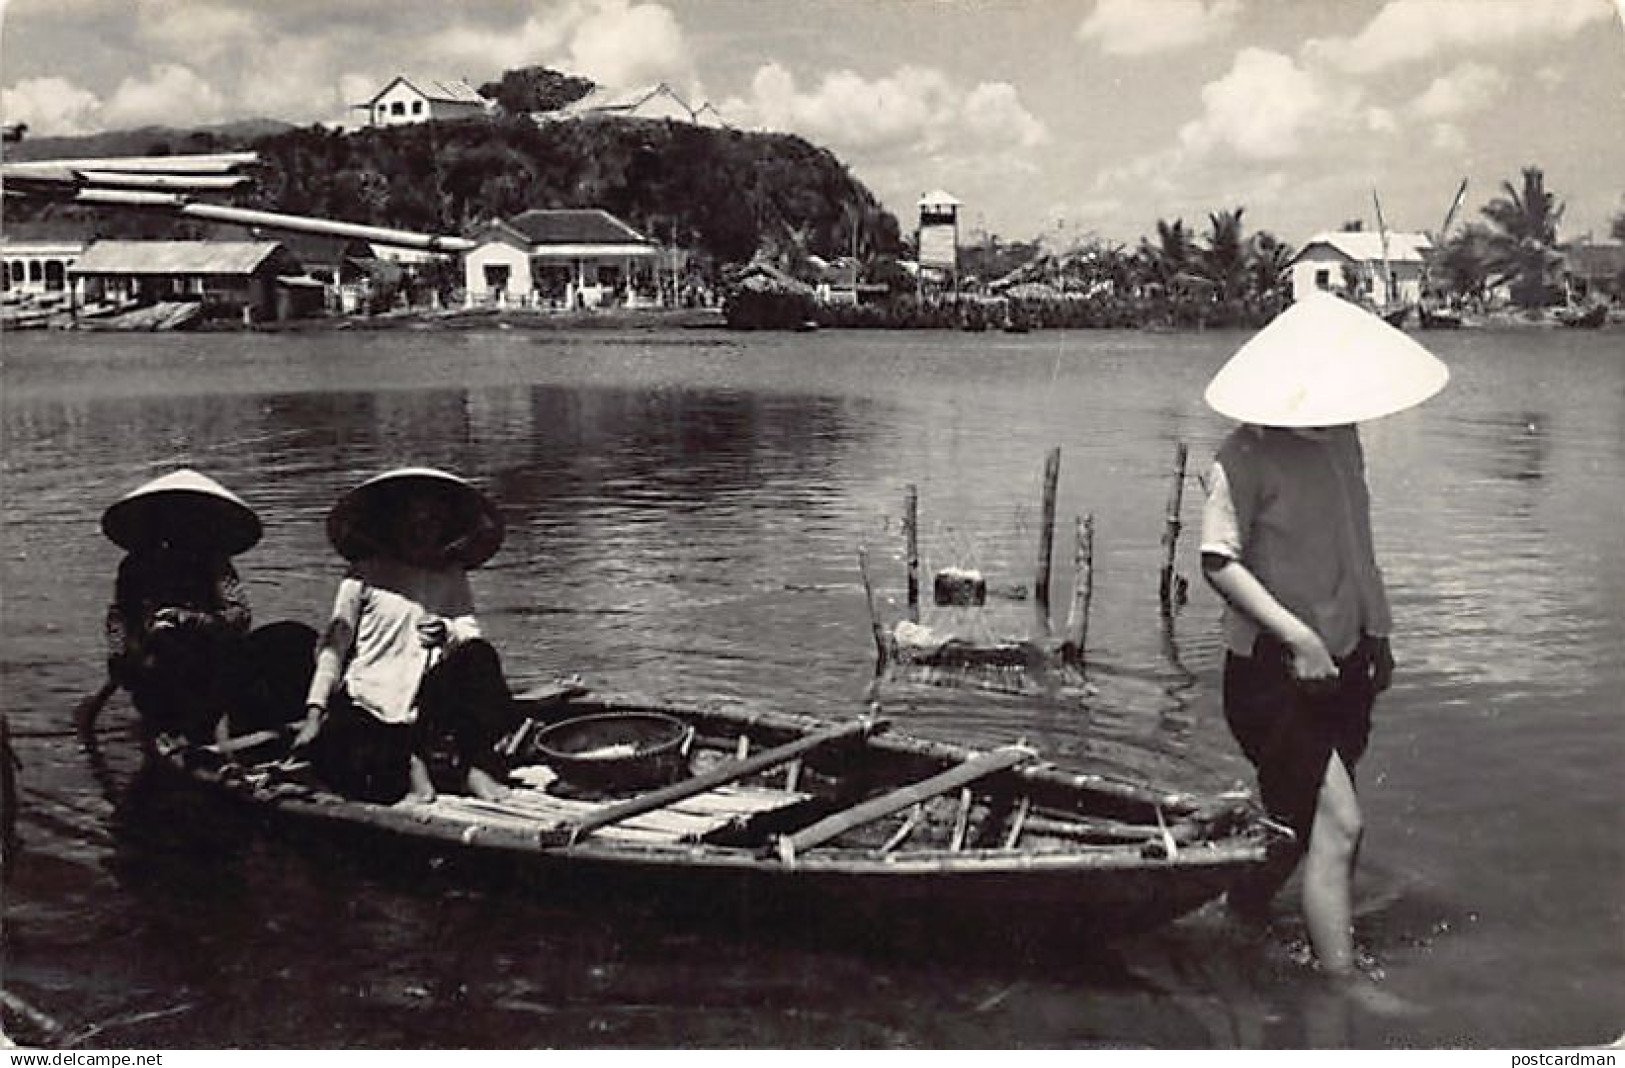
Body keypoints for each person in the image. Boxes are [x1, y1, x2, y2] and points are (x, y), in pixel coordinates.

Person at [1198, 293, 1449, 981]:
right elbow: (1217, 561)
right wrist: (1299, 640)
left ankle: (1232, 922)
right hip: (1270, 675)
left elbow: (1354, 549)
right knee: (1340, 825)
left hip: (1344, 664)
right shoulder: (1243, 455)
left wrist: (1379, 633)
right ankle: (1341, 990)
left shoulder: (1342, 442)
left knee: (1292, 826)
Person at [291, 467, 516, 805]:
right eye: (412, 520)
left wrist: (446, 633)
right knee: (346, 751)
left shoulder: (451, 575)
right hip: (372, 696)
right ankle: (414, 769)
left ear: (444, 526)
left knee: (479, 655)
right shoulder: (364, 574)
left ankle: (473, 767)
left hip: (428, 697)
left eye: (431, 522)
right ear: (393, 523)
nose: (421, 530)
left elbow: (468, 632)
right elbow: (334, 645)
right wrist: (314, 713)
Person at [82, 469, 312, 748]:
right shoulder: (136, 565)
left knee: (287, 641)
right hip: (156, 665)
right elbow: (119, 616)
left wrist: (192, 621)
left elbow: (239, 616)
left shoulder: (212, 561)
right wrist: (124, 654)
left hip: (210, 661)